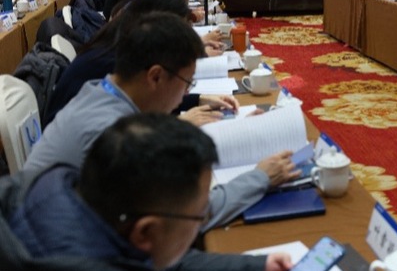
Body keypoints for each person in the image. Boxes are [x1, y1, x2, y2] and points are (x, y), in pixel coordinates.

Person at [0, 113, 320, 271]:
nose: (203, 220)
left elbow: (147, 266)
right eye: (200, 215)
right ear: (146, 231)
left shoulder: (50, 192)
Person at [23, 12, 300, 231]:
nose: (186, 95)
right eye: (186, 84)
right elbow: (182, 217)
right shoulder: (110, 133)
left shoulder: (100, 91)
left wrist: (234, 129)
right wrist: (261, 178)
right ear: (155, 76)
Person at [44, 0, 230, 127]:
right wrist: (178, 124)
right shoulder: (114, 60)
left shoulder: (123, 41)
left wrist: (197, 100)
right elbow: (131, 126)